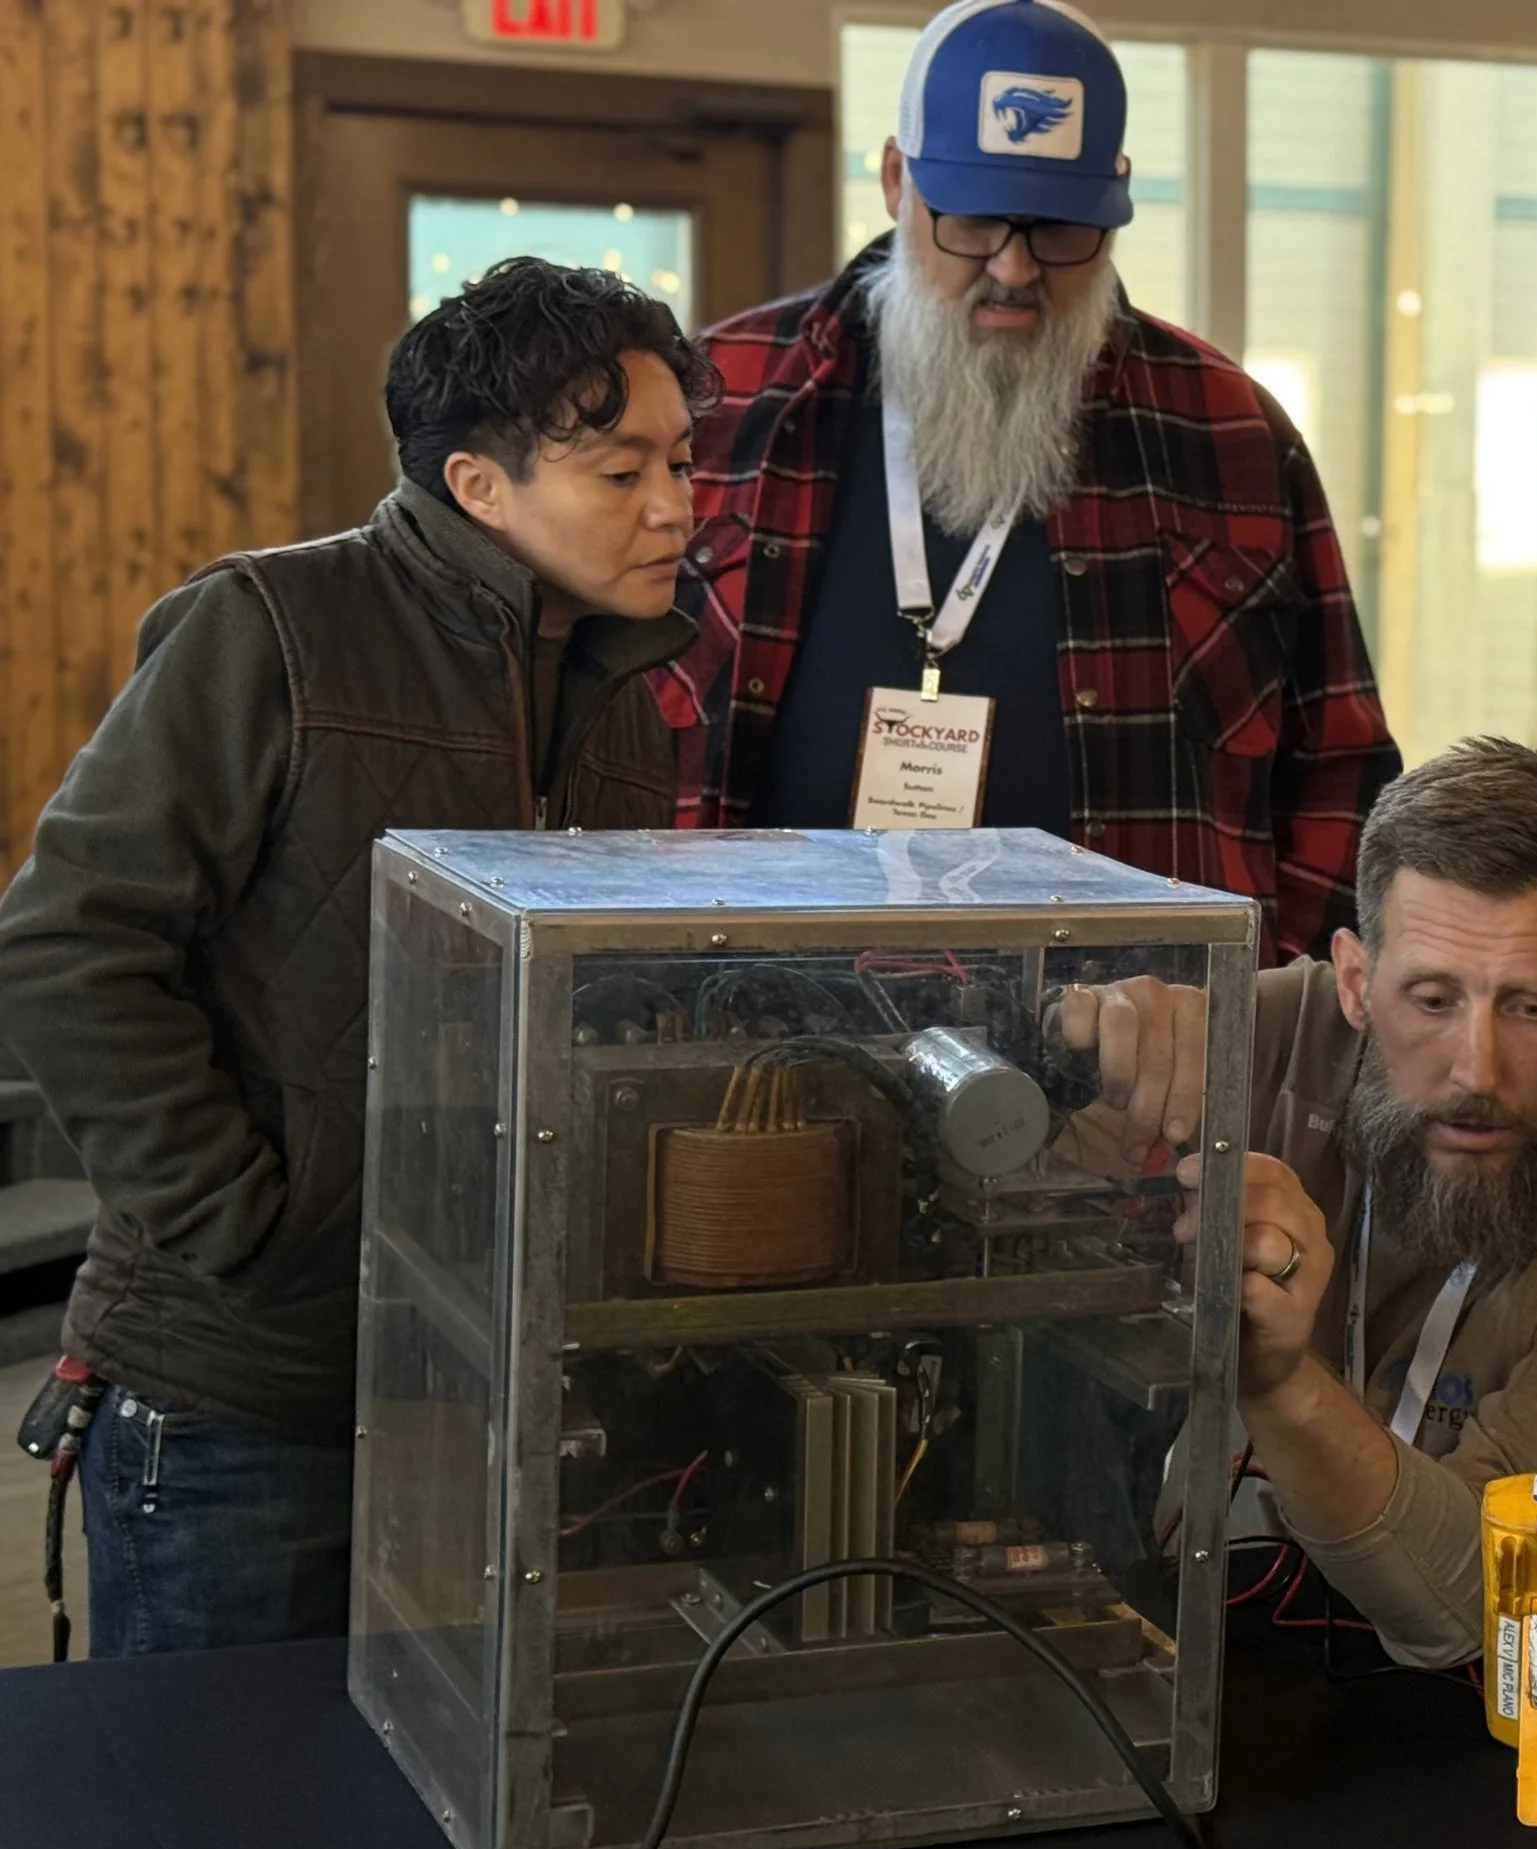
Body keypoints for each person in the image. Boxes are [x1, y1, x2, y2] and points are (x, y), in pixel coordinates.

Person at [0, 259, 714, 1654]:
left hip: (486, 1384)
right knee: (222, 1812)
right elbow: (64, 942)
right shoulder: (272, 625)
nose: (676, 505)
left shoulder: (629, 697)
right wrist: (247, 1218)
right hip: (242, 1392)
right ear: (480, 484)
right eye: (624, 469)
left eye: (683, 461)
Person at [662, 0, 1400, 963]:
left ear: (1118, 195)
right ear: (896, 181)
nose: (1012, 268)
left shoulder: (1232, 434)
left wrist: (1252, 1016)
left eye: (1060, 230)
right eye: (971, 220)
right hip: (750, 1043)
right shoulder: (719, 403)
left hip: (1139, 1076)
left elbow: (1342, 774)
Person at [1061, 738, 1537, 1665]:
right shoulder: (1273, 1037)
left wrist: (1282, 1380)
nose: (1477, 1069)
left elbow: (1485, 1604)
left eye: (1532, 1007)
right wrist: (1081, 1049)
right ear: (1353, 981)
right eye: (1429, 999)